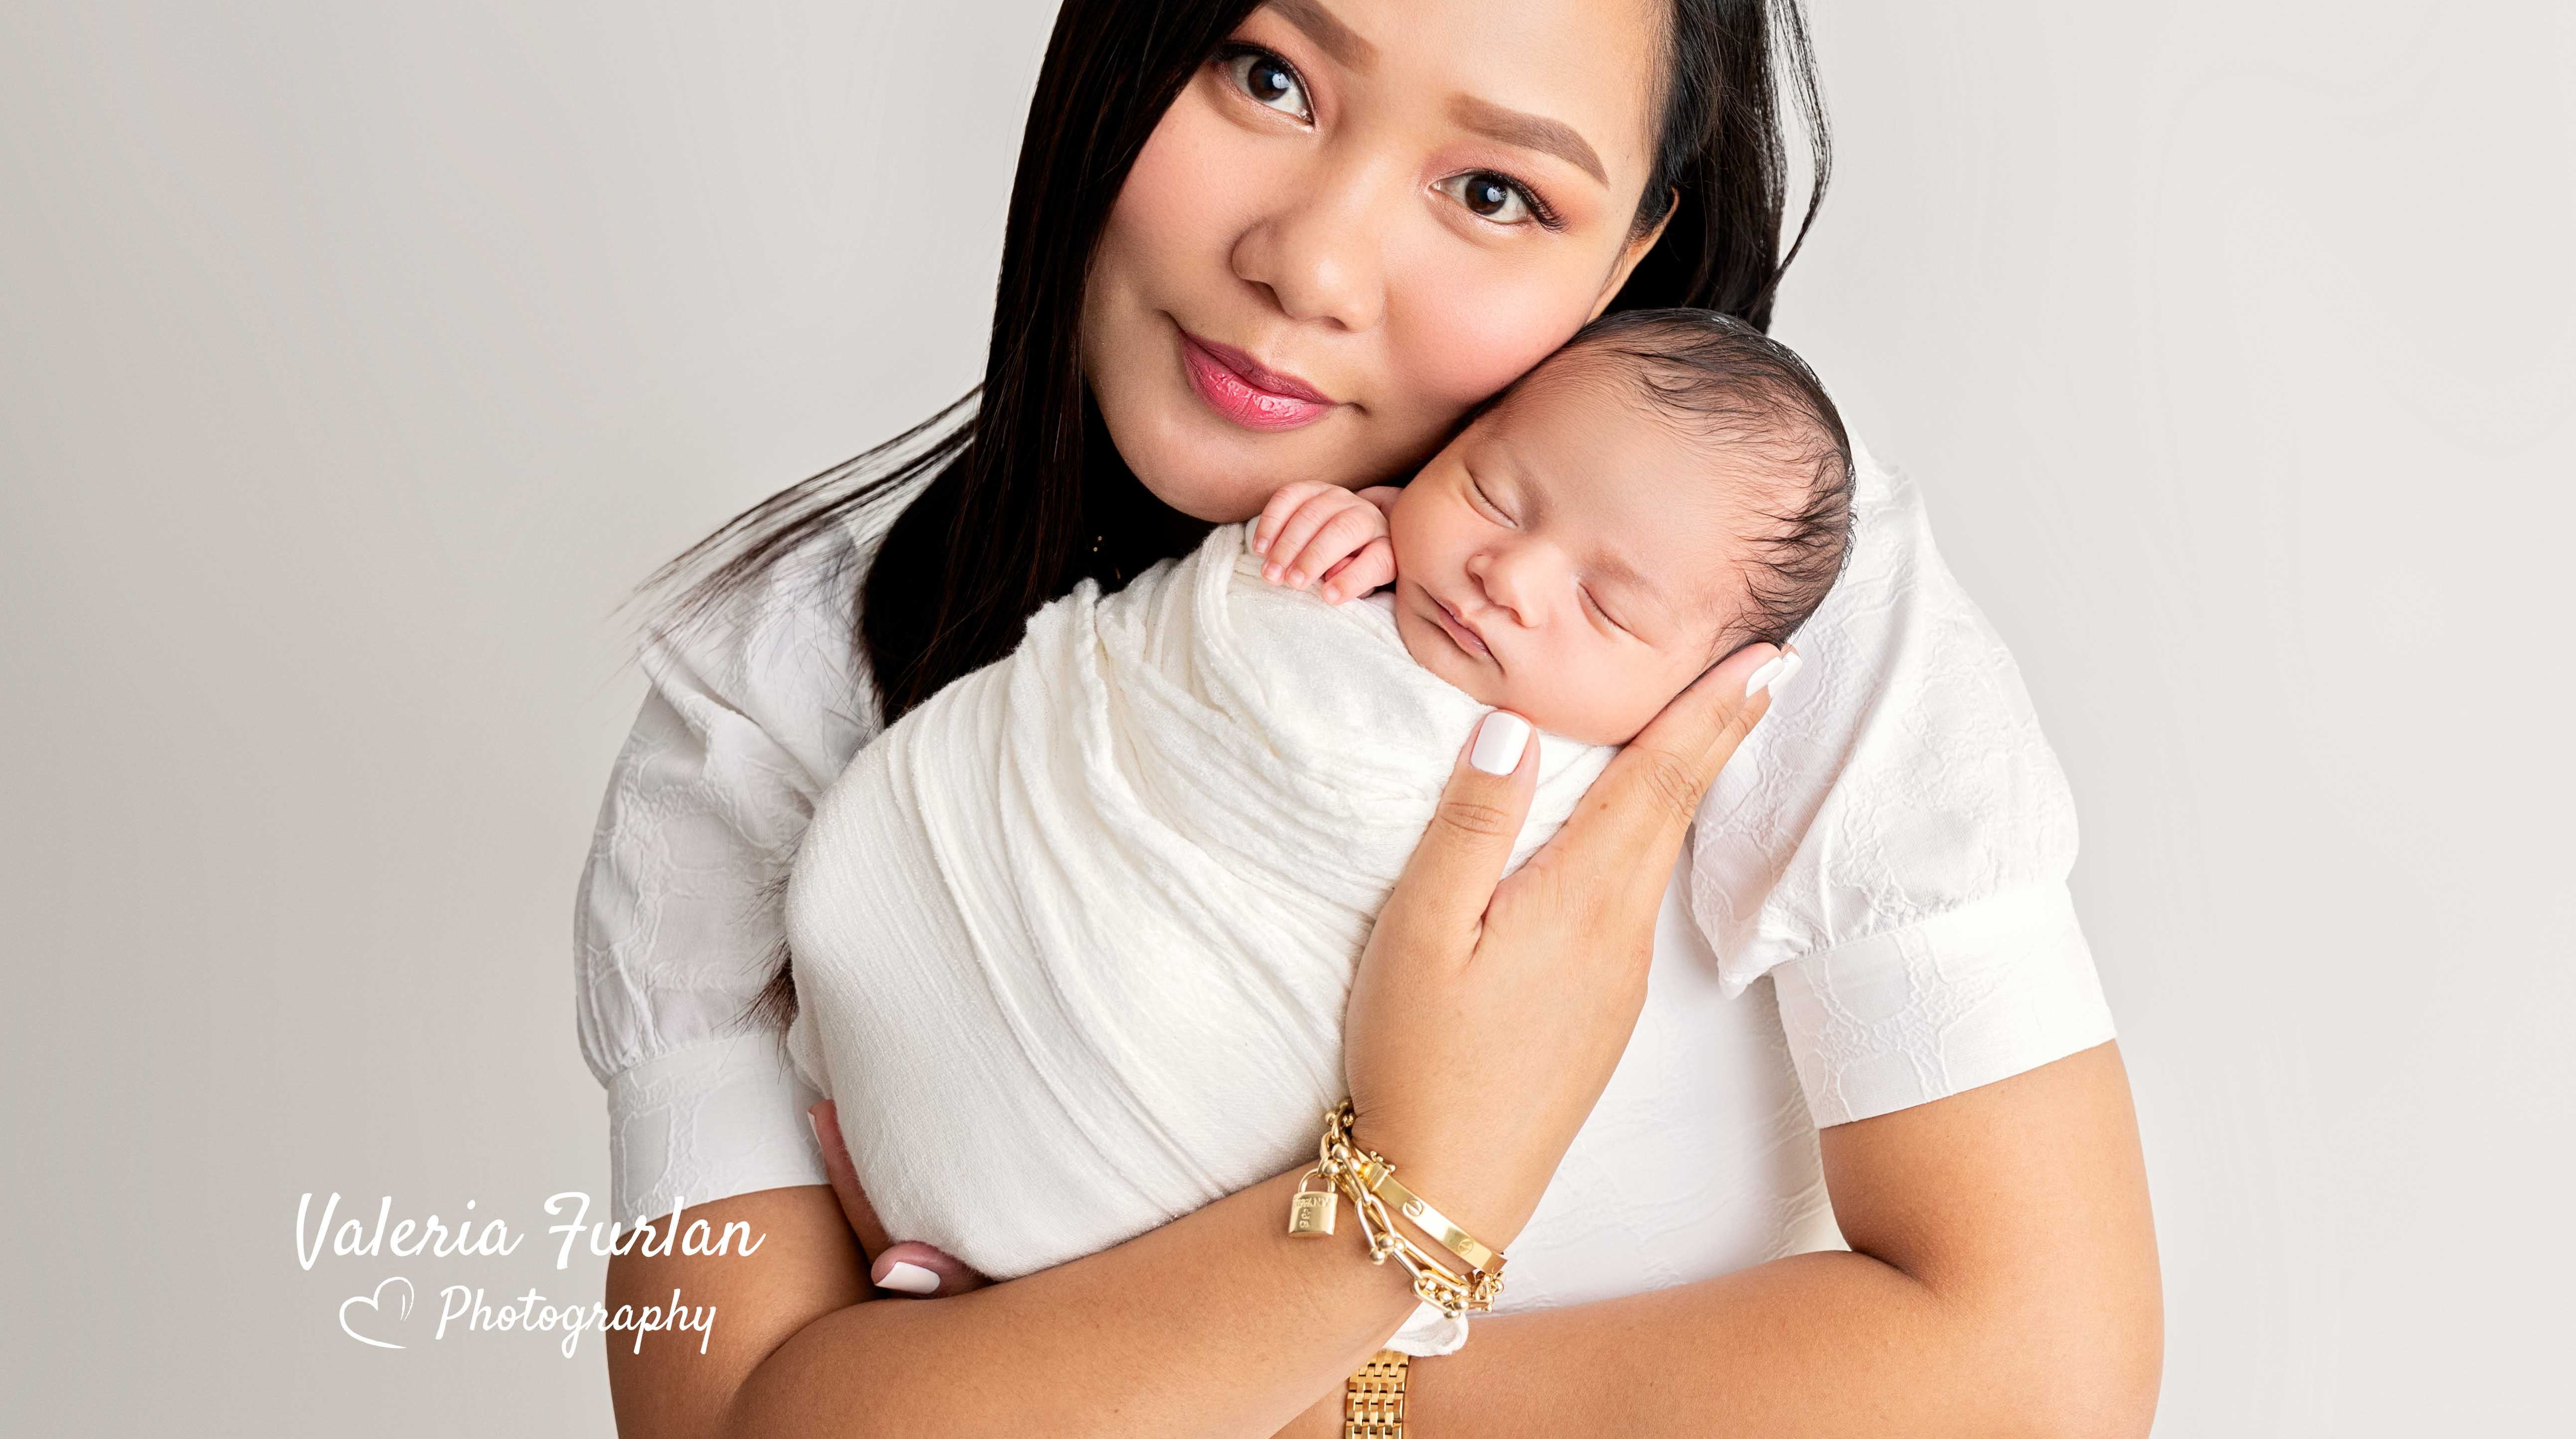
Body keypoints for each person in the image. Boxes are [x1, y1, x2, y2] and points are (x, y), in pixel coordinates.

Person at [573, 0, 2161, 1439]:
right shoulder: (795, 686)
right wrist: (1404, 1197)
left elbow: (2042, 1375)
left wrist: (1120, 1381)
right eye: (1266, 77)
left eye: (1495, 192)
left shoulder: (1733, 615)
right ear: (1124, 40)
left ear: (1630, 254)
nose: (1311, 263)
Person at [783, 309, 1861, 1308]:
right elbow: (1183, 638)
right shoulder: (1365, 554)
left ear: (1704, 689)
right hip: (936, 872)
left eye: (1605, 604)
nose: (1508, 574)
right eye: (1493, 495)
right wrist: (1335, 529)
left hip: (1151, 1142)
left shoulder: (1598, 805)